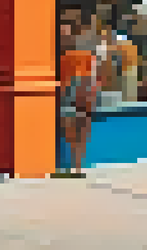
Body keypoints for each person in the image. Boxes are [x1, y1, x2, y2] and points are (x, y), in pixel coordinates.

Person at [57, 14, 100, 176]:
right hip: (66, 100)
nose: (64, 37)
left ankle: (77, 167)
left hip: (80, 99)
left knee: (79, 131)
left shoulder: (85, 56)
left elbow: (91, 78)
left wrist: (89, 98)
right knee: (70, 130)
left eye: (66, 34)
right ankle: (70, 166)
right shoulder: (58, 57)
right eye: (61, 34)